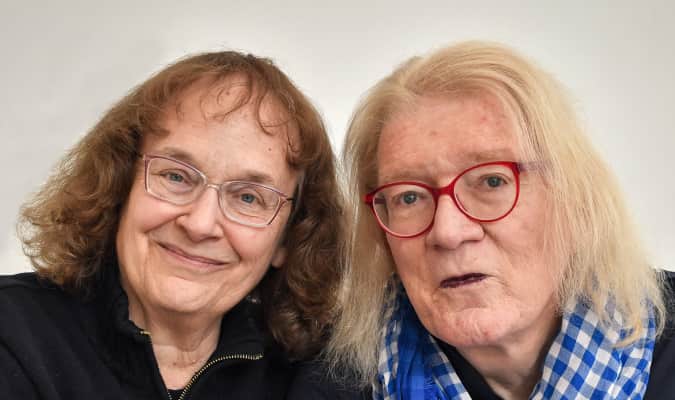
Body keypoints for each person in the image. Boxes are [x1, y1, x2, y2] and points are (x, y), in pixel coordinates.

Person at [325, 41, 675, 399]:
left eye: (492, 181)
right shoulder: (333, 386)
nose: (448, 232)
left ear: (573, 197)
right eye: (409, 197)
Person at [0, 50, 344, 399]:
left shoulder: (317, 377)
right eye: (176, 176)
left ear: (289, 238)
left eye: (248, 197)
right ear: (120, 183)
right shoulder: (13, 332)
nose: (200, 224)